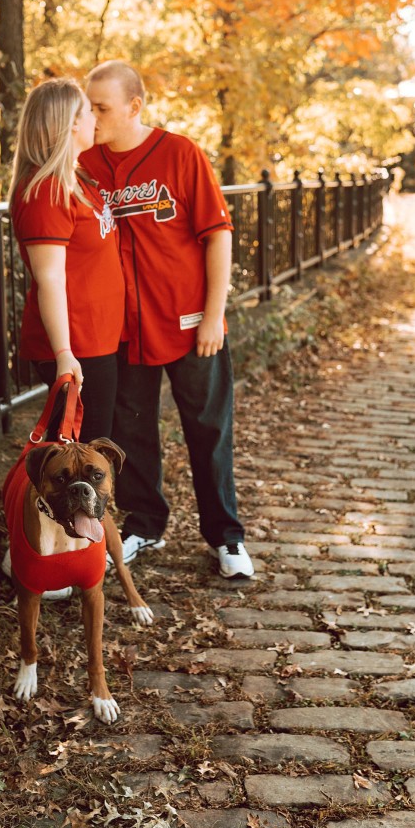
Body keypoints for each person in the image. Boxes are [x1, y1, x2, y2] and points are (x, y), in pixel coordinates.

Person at [79, 60, 254, 580]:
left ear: (134, 107)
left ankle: (226, 538)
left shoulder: (181, 154)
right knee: (132, 436)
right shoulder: (85, 164)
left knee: (208, 431)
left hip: (188, 322)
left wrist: (213, 315)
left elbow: (217, 234)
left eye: (101, 107)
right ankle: (145, 526)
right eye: (87, 106)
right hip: (124, 330)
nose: (92, 115)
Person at [4, 77, 126, 596]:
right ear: (65, 123)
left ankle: (74, 554)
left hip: (99, 341)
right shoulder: (45, 190)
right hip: (75, 350)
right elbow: (49, 278)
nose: (94, 118)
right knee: (61, 470)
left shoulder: (79, 179)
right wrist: (63, 354)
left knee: (82, 465)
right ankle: (38, 563)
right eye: (85, 111)